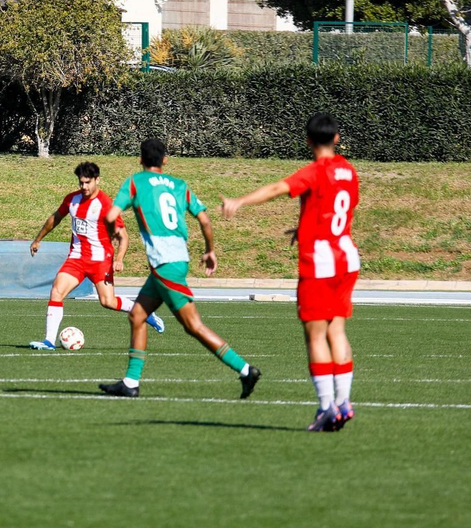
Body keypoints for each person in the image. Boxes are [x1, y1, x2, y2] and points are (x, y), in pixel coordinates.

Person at [221, 113, 360, 432]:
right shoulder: (349, 172)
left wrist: (239, 201)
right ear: (337, 138)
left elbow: (277, 188)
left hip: (321, 263)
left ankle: (326, 408)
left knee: (315, 335)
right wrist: (306, 227)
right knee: (337, 331)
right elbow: (338, 209)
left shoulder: (314, 171)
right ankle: (343, 402)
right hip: (347, 258)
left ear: (308, 141)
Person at [97, 138, 260, 400]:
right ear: (165, 160)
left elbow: (108, 216)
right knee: (137, 315)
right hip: (175, 259)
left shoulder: (135, 182)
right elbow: (205, 220)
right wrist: (210, 250)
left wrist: (112, 232)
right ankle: (130, 382)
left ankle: (244, 370)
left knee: (193, 326)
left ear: (140, 159)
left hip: (164, 263)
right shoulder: (179, 185)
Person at [27, 161, 164, 350]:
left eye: (87, 182)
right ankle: (49, 341)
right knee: (56, 291)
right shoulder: (72, 200)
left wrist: (119, 259)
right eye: (81, 183)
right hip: (76, 258)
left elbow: (123, 236)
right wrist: (38, 239)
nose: (84, 186)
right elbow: (55, 218)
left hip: (101, 260)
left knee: (107, 301)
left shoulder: (106, 205)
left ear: (97, 180)